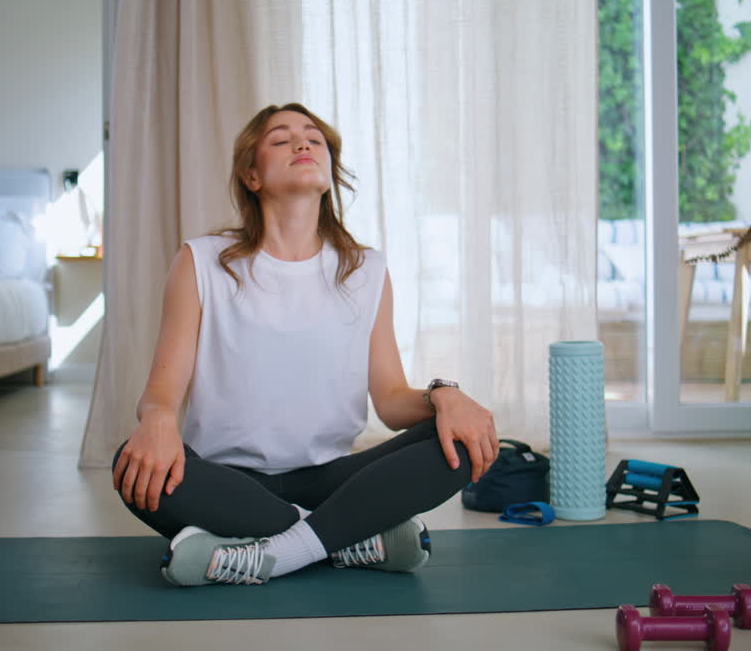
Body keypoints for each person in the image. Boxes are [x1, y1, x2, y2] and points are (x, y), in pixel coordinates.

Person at [112, 102, 499, 586]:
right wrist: (155, 420)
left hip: (330, 481)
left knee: (460, 441)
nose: (302, 143)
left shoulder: (366, 270)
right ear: (252, 175)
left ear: (329, 169)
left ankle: (273, 551)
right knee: (130, 464)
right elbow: (163, 393)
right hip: (229, 480)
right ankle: (352, 538)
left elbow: (392, 401)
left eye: (314, 138)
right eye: (280, 139)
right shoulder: (202, 262)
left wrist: (446, 395)